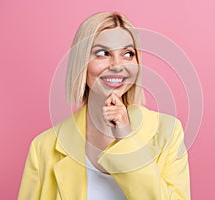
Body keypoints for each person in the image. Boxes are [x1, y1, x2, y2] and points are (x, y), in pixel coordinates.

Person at [18, 12, 191, 200]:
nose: (117, 65)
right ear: (81, 62)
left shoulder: (168, 132)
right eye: (103, 53)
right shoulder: (43, 147)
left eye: (128, 54)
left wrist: (127, 140)